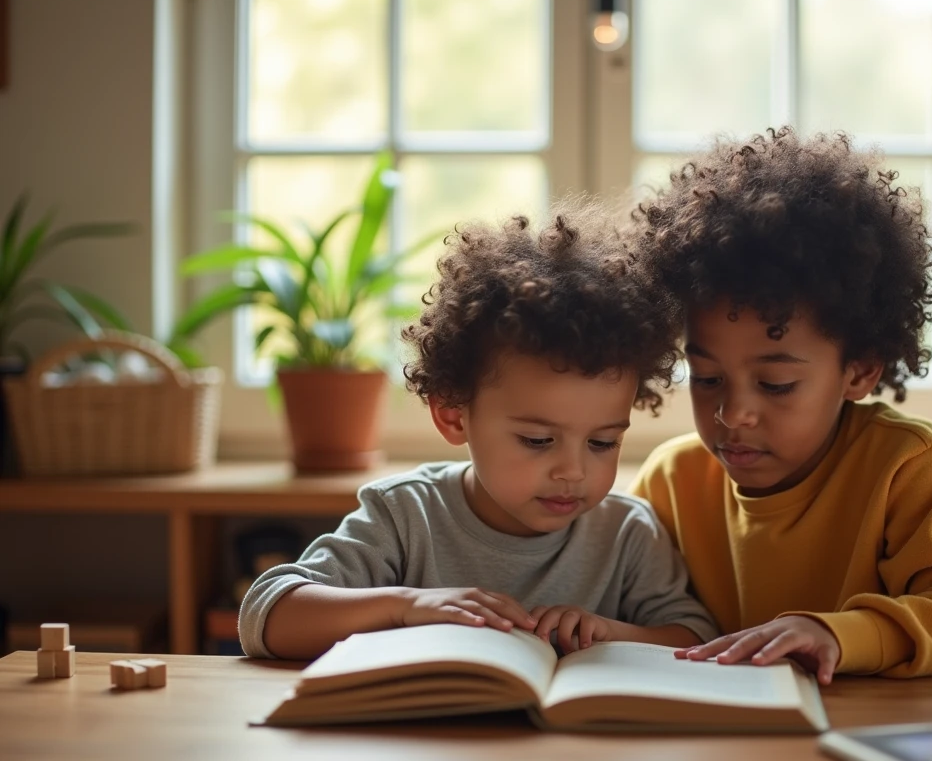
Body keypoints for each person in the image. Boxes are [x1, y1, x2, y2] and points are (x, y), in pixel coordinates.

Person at [239, 201, 718, 660]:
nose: (574, 470)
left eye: (603, 442)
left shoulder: (627, 532)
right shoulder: (406, 515)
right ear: (452, 414)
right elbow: (268, 617)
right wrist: (404, 608)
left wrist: (612, 632)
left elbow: (692, 635)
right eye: (537, 440)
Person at [627, 127, 932, 684]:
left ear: (858, 369)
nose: (733, 413)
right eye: (707, 377)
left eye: (777, 383)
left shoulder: (907, 467)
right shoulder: (670, 481)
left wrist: (838, 633)